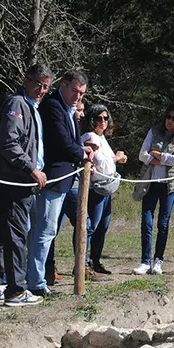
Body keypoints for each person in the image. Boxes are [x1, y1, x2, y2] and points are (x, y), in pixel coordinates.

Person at [0, 64, 52, 307]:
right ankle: (16, 291)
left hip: (20, 181)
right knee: (17, 236)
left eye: (45, 87)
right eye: (37, 84)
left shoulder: (32, 107)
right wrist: (31, 169)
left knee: (2, 234)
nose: (41, 90)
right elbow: (10, 144)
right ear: (26, 80)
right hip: (15, 181)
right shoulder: (17, 104)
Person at [26, 71, 94, 296]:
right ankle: (35, 282)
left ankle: (34, 279)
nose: (77, 97)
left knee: (45, 230)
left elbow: (72, 141)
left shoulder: (69, 109)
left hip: (65, 179)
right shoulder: (53, 106)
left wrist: (80, 151)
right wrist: (82, 153)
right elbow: (62, 142)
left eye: (81, 93)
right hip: (53, 178)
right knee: (44, 231)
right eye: (74, 90)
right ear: (63, 86)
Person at [134, 103, 174, 275]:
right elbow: (142, 154)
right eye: (168, 117)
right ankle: (145, 261)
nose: (170, 121)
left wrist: (157, 155)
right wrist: (163, 158)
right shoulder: (153, 131)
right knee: (146, 221)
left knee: (163, 224)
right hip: (150, 183)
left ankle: (158, 260)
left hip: (169, 185)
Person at [80, 104, 127, 274]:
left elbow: (108, 163)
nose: (103, 121)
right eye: (99, 118)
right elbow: (102, 163)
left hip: (107, 188)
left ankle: (95, 261)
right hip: (95, 188)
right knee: (91, 226)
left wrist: (116, 158)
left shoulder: (102, 139)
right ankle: (82, 263)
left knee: (103, 226)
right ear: (92, 119)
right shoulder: (89, 137)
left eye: (105, 118)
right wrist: (117, 157)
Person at [45, 99, 86, 285]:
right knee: (49, 229)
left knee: (55, 227)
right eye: (80, 110)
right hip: (60, 181)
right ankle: (48, 270)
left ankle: (80, 266)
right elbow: (65, 145)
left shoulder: (74, 124)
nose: (82, 114)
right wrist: (83, 153)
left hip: (70, 183)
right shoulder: (59, 114)